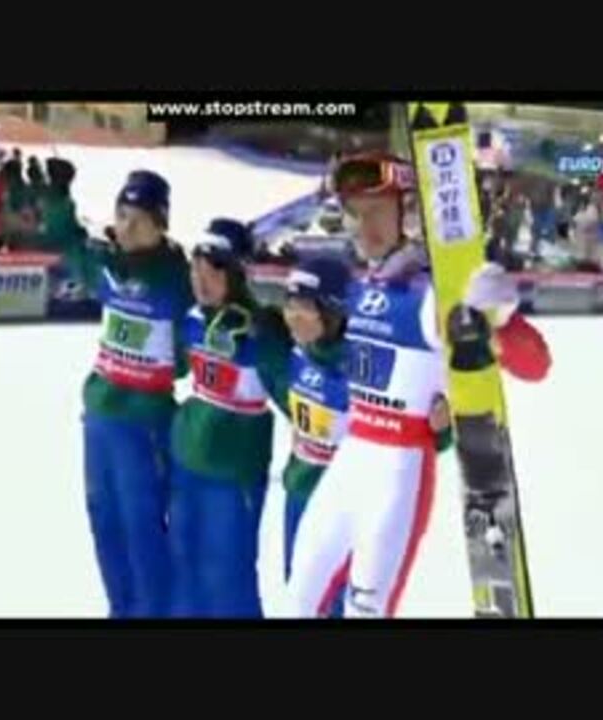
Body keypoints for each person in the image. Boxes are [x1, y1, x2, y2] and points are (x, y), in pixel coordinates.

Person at [280, 151, 552, 618]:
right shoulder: (362, 286)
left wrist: (502, 318)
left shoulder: (431, 295)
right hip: (349, 458)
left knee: (368, 610)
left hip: (397, 471)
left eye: (376, 212)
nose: (364, 226)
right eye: (355, 213)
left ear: (407, 211)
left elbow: (535, 365)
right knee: (297, 600)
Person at [81, 170, 193, 618]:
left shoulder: (176, 277)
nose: (125, 227)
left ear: (160, 224)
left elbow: (187, 356)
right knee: (104, 521)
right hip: (100, 416)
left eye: (138, 219)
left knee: (141, 526)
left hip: (144, 423)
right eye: (121, 215)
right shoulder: (111, 265)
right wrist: (55, 204)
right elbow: (73, 249)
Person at [168, 218, 292, 618]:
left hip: (234, 474)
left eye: (212, 272)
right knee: (183, 565)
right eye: (195, 271)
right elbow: (173, 367)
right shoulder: (192, 319)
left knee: (228, 577)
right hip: (187, 465)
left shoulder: (259, 333)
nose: (201, 281)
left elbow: (299, 400)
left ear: (236, 274)